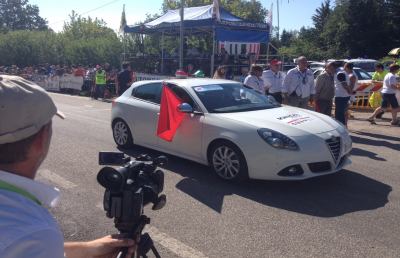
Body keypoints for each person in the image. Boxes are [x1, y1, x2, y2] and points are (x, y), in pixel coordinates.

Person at [0, 75, 136, 258]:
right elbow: (30, 243)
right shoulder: (32, 232)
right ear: (41, 140)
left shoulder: (28, 238)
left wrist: (88, 248)